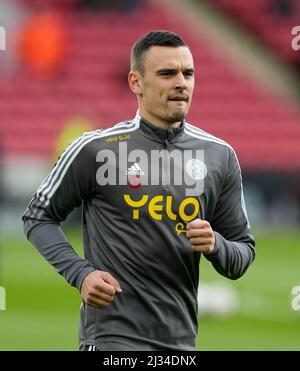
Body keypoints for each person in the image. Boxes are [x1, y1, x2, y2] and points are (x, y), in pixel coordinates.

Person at [22, 30, 255, 351]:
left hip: (181, 345)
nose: (181, 82)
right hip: (110, 340)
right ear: (136, 82)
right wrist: (81, 274)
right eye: (167, 73)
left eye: (188, 73)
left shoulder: (219, 156)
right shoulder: (96, 149)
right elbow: (38, 216)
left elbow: (242, 254)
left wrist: (216, 245)